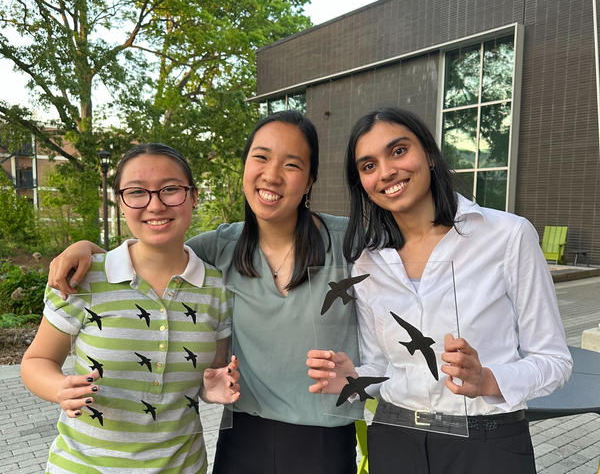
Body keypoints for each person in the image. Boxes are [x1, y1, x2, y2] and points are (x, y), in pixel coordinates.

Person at [46, 111, 358, 474]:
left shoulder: (350, 242)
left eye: (292, 164)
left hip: (324, 439)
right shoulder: (217, 248)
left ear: (309, 181)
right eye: (261, 157)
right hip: (244, 434)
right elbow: (152, 254)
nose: (271, 174)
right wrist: (88, 248)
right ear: (244, 168)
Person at [307, 106, 572, 474]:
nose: (386, 172)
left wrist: (488, 379)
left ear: (429, 154)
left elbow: (555, 361)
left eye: (398, 151)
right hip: (394, 440)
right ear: (362, 184)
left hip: (485, 445)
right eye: (368, 166)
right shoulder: (367, 263)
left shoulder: (508, 236)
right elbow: (383, 366)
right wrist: (353, 380)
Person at [22, 144, 240, 474]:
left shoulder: (215, 288)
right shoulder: (84, 277)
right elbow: (37, 361)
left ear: (193, 196)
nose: (155, 204)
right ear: (121, 203)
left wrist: (213, 388)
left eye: (170, 189)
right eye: (137, 192)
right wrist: (59, 388)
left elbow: (213, 373)